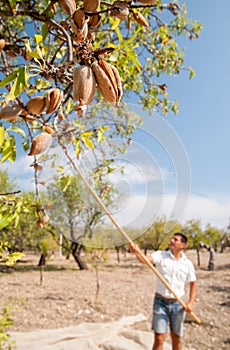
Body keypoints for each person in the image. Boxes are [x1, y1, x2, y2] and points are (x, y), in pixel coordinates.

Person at [130, 232, 197, 350]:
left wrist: (190, 302)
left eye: (176, 239)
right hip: (160, 302)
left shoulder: (187, 264)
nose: (172, 240)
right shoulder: (161, 255)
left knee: (176, 338)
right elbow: (145, 260)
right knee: (159, 338)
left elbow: (193, 283)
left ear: (182, 245)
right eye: (172, 238)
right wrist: (137, 252)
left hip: (178, 304)